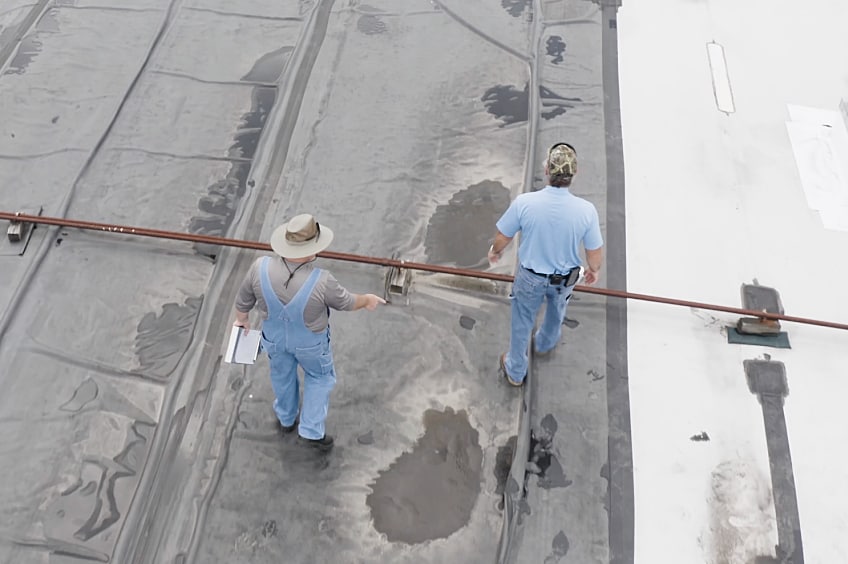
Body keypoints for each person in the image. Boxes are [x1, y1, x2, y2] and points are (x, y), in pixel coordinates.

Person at [233, 214, 385, 450]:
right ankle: (311, 431)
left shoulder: (259, 268)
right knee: (319, 379)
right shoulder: (323, 282)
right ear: (312, 249)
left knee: (281, 375)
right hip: (311, 344)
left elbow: (243, 301)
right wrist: (367, 300)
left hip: (273, 339)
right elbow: (346, 302)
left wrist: (242, 321)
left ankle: (285, 417)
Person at [487, 143, 603, 386]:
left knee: (522, 320)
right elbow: (594, 251)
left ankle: (516, 370)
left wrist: (495, 252)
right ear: (575, 173)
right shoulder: (586, 211)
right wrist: (594, 270)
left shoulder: (525, 203)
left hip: (531, 278)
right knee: (557, 309)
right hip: (566, 279)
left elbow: (503, 237)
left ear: (547, 171)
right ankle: (545, 343)